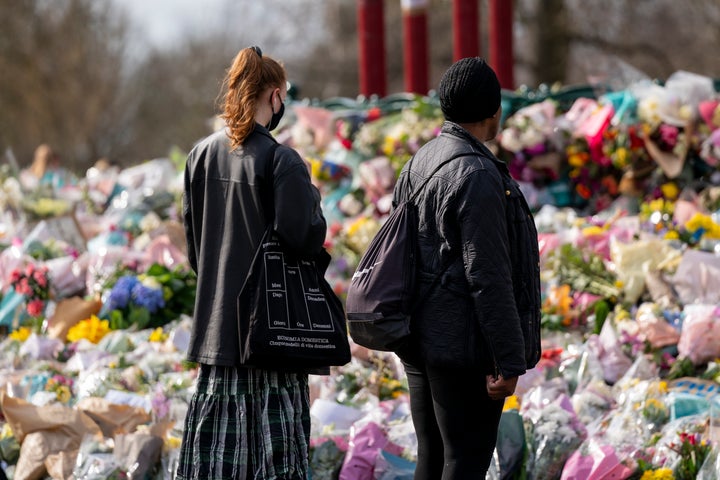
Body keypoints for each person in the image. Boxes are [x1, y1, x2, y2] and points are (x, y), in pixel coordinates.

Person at [177, 46, 327, 480]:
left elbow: (195, 251)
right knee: (272, 464)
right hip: (270, 339)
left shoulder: (199, 155)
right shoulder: (282, 160)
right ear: (275, 96)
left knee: (217, 464)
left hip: (215, 335)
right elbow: (305, 239)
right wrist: (313, 201)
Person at [392, 57, 541, 478]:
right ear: (493, 111)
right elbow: (488, 276)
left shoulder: (421, 160)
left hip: (421, 339)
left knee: (433, 457)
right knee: (465, 463)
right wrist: (508, 359)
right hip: (464, 348)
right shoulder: (476, 173)